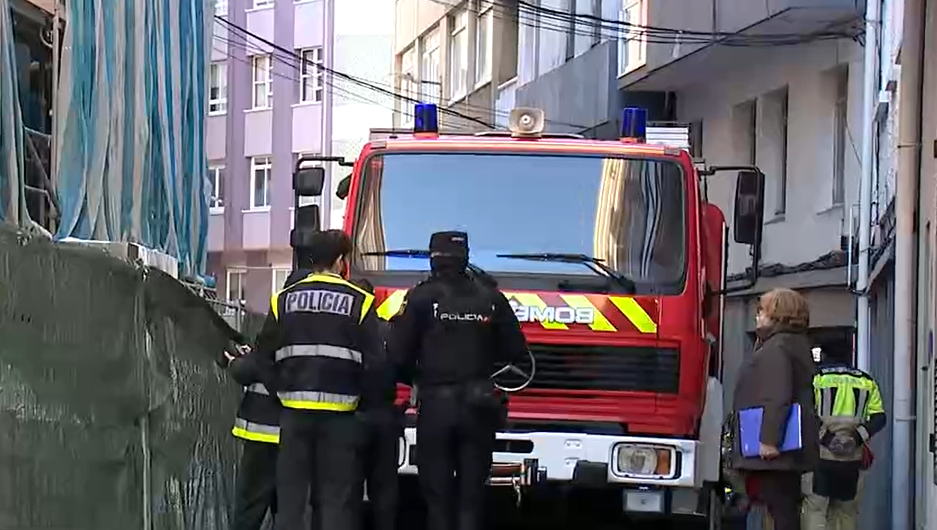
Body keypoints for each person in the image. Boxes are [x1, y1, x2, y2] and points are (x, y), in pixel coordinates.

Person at [387, 231, 528, 530]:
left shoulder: (421, 297)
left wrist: (415, 378)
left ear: (433, 258)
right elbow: (517, 352)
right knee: (471, 496)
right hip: (480, 408)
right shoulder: (491, 297)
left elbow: (397, 355)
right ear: (465, 258)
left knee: (437, 496)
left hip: (436, 408)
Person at [253, 229, 384, 530]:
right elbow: (376, 365)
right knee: (336, 500)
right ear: (341, 261)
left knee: (291, 500)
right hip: (341, 420)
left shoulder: (282, 301)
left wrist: (280, 392)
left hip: (294, 417)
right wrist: (360, 401)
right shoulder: (360, 301)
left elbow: (262, 358)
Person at [731, 288, 820, 530]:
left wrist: (769, 439)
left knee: (779, 513)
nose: (757, 315)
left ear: (779, 315)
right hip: (783, 454)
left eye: (763, 310)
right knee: (782, 511)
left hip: (773, 454)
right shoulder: (790, 344)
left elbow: (777, 393)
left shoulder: (777, 347)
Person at [802, 345, 886, 530]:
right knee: (845, 513)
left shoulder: (816, 379)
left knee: (816, 512)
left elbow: (806, 415)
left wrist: (828, 439)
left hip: (820, 458)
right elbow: (879, 418)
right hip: (852, 462)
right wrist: (855, 439)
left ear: (824, 355)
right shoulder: (866, 381)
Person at [350, 278, 404, 530]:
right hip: (385, 418)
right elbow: (406, 368)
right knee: (384, 491)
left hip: (351, 416)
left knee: (347, 490)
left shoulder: (345, 331)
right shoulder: (390, 331)